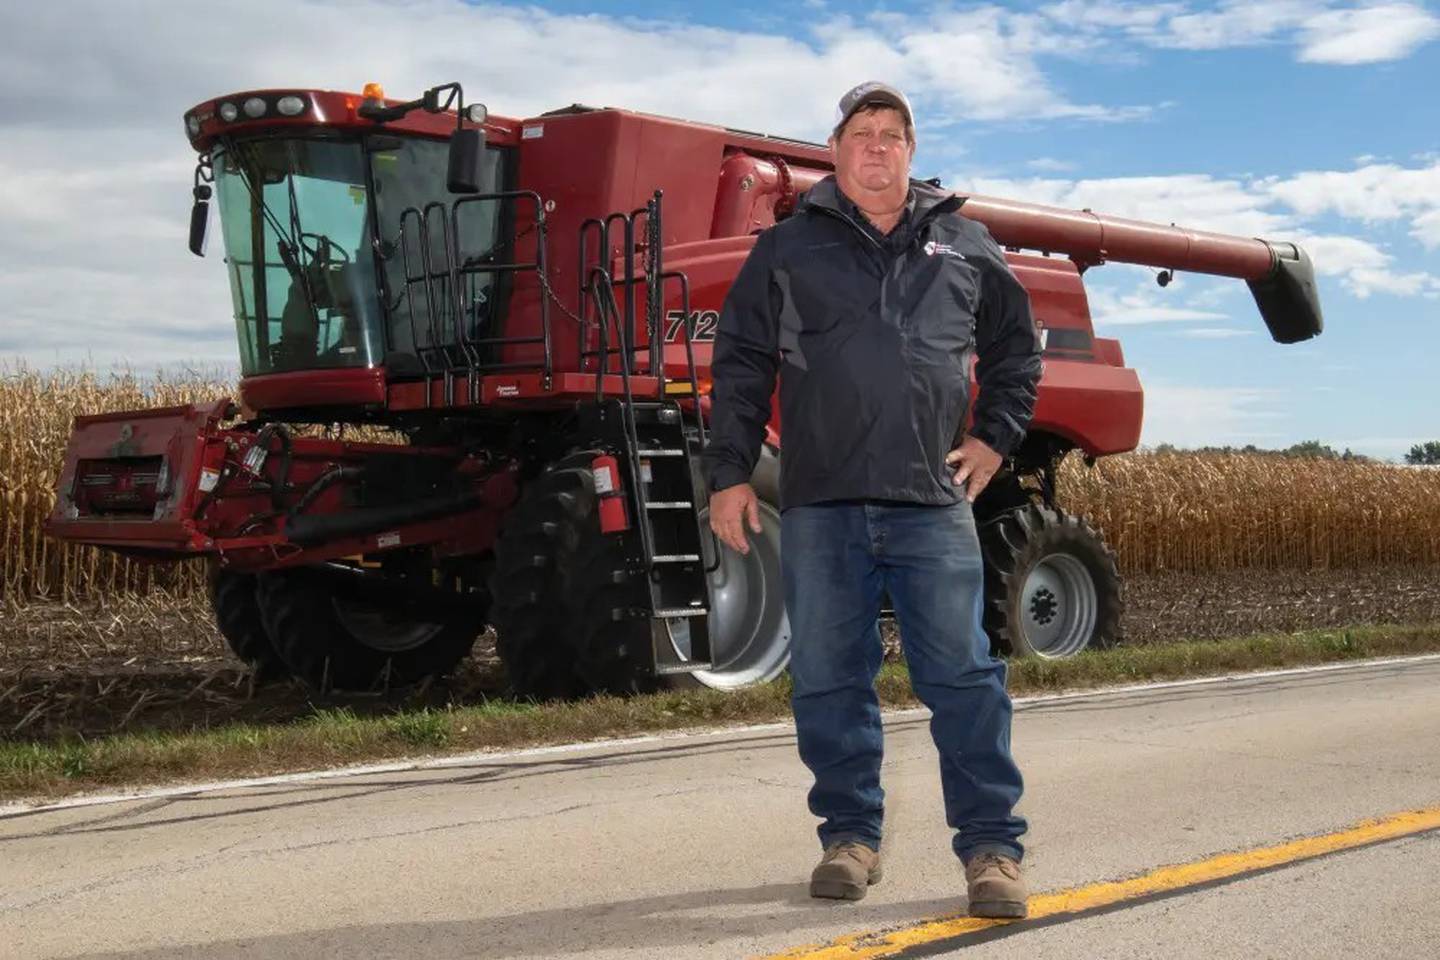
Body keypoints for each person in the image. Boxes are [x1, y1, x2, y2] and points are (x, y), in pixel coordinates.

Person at [701, 81, 1042, 919]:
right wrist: (730, 475)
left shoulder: (966, 245)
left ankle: (992, 851)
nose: (877, 146)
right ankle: (849, 839)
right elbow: (741, 365)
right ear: (837, 147)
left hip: (932, 501)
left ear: (911, 151)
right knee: (826, 677)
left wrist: (995, 437)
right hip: (821, 504)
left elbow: (1015, 352)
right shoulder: (788, 249)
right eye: (863, 132)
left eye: (893, 134)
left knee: (962, 676)